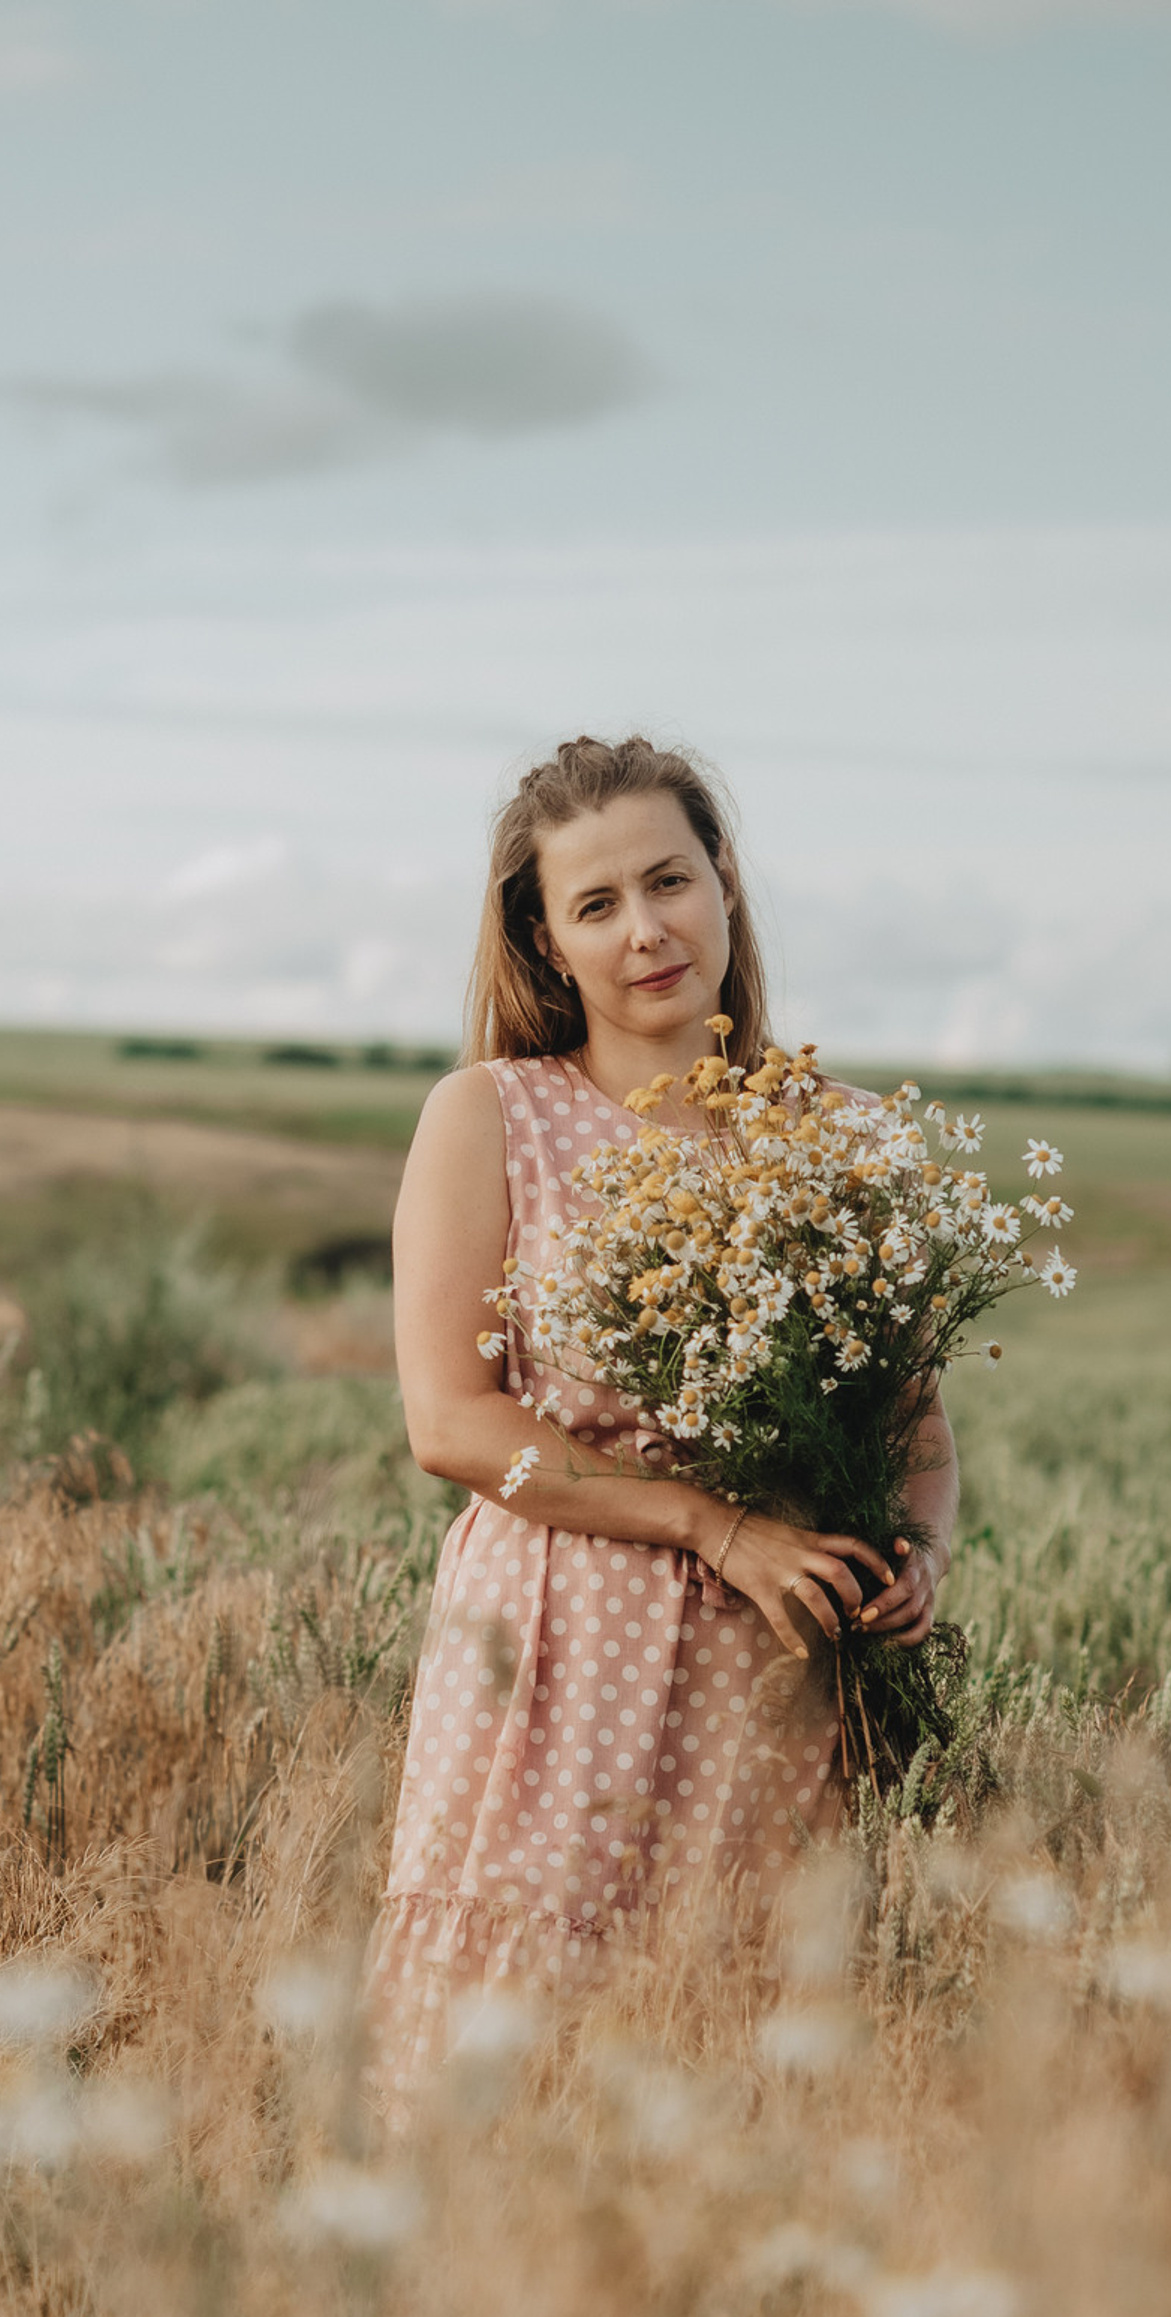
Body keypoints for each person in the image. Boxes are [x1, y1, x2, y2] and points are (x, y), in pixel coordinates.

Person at [369, 735, 960, 2091]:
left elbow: (918, 1440)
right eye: (597, 905)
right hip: (555, 1646)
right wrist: (707, 1523)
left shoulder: (845, 1138)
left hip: (776, 1668)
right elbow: (451, 1423)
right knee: (502, 2065)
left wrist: (917, 1555)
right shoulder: (493, 1117)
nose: (646, 930)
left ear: (726, 887)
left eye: (669, 881)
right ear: (547, 940)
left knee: (740, 2066)